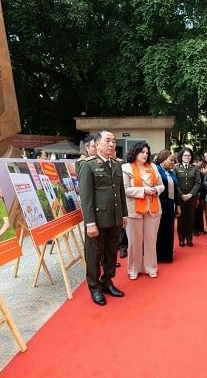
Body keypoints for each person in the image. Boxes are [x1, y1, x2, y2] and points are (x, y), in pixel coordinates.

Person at [78, 130, 128, 306]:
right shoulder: (88, 165)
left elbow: (120, 191)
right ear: (97, 144)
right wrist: (90, 222)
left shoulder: (116, 164)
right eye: (108, 141)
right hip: (97, 220)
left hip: (114, 217)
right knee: (94, 254)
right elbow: (86, 197)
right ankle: (94, 287)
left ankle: (107, 281)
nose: (112, 144)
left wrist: (124, 214)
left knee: (111, 252)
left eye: (114, 141)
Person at [121, 142, 163, 279]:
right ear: (135, 152)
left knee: (151, 240)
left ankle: (151, 267)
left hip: (153, 208)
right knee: (134, 241)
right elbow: (125, 190)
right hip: (134, 210)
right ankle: (134, 269)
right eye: (142, 152)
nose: (145, 155)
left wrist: (156, 190)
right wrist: (144, 190)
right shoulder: (126, 168)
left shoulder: (153, 167)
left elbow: (161, 185)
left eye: (147, 153)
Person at [154, 150, 181, 263]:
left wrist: (178, 205)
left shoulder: (171, 172)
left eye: (174, 161)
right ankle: (157, 255)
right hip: (158, 203)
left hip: (170, 205)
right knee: (158, 230)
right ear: (163, 159)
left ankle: (166, 255)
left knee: (169, 229)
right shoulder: (155, 169)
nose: (173, 162)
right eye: (171, 160)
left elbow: (176, 190)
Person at [175, 147, 202, 247]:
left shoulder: (195, 168)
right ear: (181, 156)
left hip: (192, 198)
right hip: (180, 198)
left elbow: (198, 182)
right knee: (181, 219)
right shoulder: (176, 168)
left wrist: (191, 194)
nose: (187, 157)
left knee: (190, 219)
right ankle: (181, 239)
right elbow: (175, 183)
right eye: (185, 155)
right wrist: (181, 195)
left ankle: (189, 238)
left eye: (189, 155)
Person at [193, 156, 207, 236]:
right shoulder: (192, 173)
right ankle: (194, 230)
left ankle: (200, 229)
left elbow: (203, 185)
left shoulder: (202, 174)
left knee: (199, 212)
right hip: (193, 195)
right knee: (194, 213)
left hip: (200, 195)